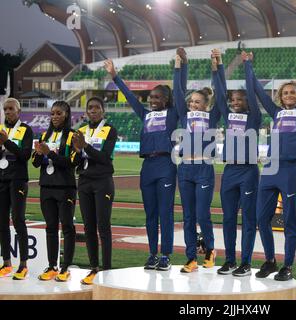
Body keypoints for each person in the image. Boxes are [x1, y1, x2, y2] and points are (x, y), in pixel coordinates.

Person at [246, 38, 296, 281]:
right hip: (269, 169)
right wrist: (249, 66)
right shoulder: (276, 112)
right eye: (285, 92)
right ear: (280, 97)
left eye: (293, 92)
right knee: (261, 218)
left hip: (290, 170)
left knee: (290, 219)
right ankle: (270, 260)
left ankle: (287, 265)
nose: (289, 94)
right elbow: (258, 92)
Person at [104, 57, 177, 271]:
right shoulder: (145, 114)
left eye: (156, 97)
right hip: (148, 167)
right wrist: (115, 76)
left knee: (166, 212)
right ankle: (152, 253)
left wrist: (180, 68)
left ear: (165, 99)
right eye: (151, 97)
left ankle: (166, 255)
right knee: (151, 214)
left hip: (165, 164)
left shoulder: (172, 114)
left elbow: (179, 92)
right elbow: (129, 97)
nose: (152, 100)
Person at [211, 49, 261, 277]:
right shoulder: (228, 116)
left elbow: (251, 90)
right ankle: (230, 260)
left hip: (249, 171)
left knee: (248, 219)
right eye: (234, 100)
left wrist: (247, 65)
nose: (236, 102)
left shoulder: (255, 117)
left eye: (240, 99)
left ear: (248, 102)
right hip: (230, 170)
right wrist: (218, 65)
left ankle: (246, 262)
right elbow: (220, 93)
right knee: (229, 218)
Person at [173, 50, 221, 273]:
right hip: (185, 169)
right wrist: (179, 65)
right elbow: (177, 91)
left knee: (203, 214)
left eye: (197, 102)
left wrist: (216, 66)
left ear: (205, 104)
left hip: (203, 168)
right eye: (191, 101)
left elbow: (220, 93)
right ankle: (191, 257)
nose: (193, 104)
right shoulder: (183, 115)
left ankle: (210, 250)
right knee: (188, 217)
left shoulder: (212, 116)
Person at [72, 97, 118, 285]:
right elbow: (76, 161)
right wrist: (76, 151)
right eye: (90, 108)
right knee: (89, 227)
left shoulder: (110, 130)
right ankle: (94, 268)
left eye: (96, 108)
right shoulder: (80, 131)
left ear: (103, 110)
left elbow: (105, 158)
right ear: (86, 111)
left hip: (102, 182)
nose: (93, 111)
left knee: (103, 226)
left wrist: (85, 146)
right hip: (84, 181)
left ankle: (106, 269)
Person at [32, 101, 77, 282]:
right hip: (46, 187)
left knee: (67, 227)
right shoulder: (45, 134)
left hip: (65, 187)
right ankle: (52, 266)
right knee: (50, 228)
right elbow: (35, 163)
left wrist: (49, 153)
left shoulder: (72, 136)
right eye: (52, 113)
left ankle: (65, 267)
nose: (55, 117)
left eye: (59, 113)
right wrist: (38, 153)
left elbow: (71, 163)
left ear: (66, 114)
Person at [0, 98, 33, 280]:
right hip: (2, 179)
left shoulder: (25, 130)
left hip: (18, 180)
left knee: (18, 220)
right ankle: (6, 263)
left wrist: (7, 142)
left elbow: (25, 155)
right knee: (2, 222)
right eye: (5, 109)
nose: (7, 112)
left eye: (11, 109)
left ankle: (23, 264)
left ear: (18, 111)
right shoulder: (0, 129)